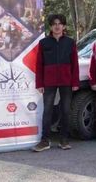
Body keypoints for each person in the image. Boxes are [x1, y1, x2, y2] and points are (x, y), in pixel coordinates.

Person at [33, 14, 79, 152]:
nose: (57, 26)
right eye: (54, 24)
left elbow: (74, 64)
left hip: (66, 80)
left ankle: (64, 140)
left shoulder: (70, 42)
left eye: (60, 24)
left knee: (65, 110)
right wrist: (39, 83)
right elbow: (39, 64)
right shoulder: (44, 43)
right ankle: (45, 140)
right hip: (49, 81)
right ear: (51, 26)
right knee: (47, 110)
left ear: (64, 26)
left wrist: (75, 82)